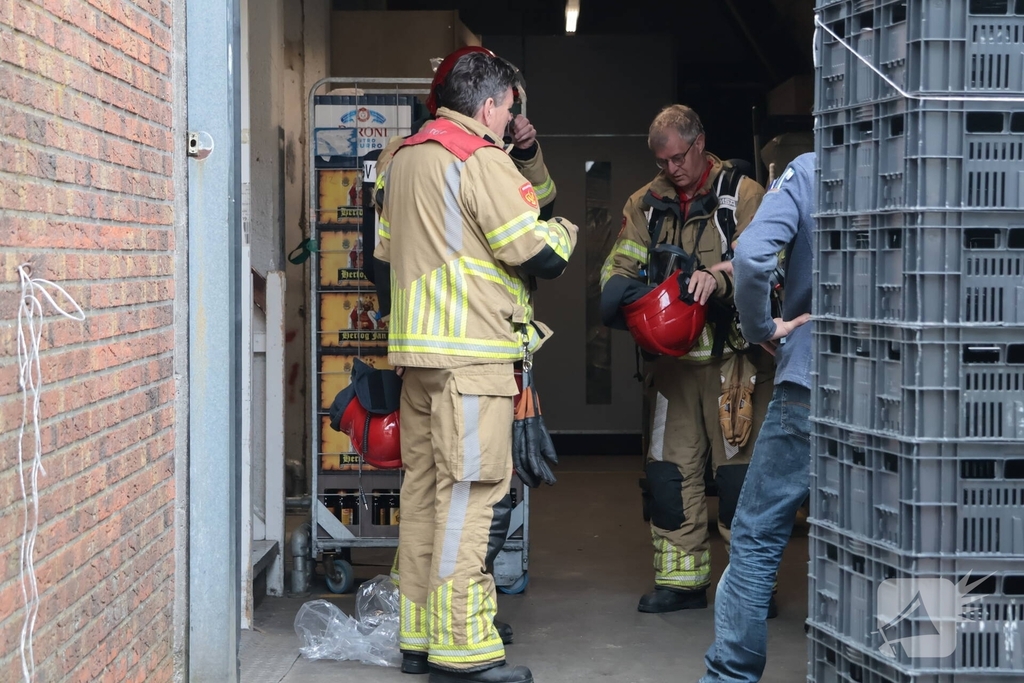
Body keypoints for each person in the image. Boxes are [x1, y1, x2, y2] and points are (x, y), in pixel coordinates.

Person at [377, 50, 578, 683]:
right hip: (473, 361)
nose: (509, 119)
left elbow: (382, 253)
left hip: (418, 361)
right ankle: (462, 651)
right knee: (469, 498)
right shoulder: (478, 158)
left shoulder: (399, 158)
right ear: (488, 105)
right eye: (509, 108)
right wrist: (567, 230)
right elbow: (533, 248)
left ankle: (417, 639)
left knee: (422, 496)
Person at [600, 104, 775, 614]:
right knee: (668, 475)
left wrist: (717, 278)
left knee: (742, 481)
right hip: (670, 367)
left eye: (678, 158)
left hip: (734, 364)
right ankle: (681, 582)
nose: (671, 169)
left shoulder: (742, 195)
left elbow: (766, 257)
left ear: (700, 143)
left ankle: (750, 591)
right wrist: (625, 291)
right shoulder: (645, 203)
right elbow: (619, 264)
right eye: (662, 161)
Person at [698, 152, 815, 683]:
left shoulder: (811, 171)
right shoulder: (945, 172)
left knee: (758, 534)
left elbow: (750, 256)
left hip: (813, 382)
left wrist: (762, 327)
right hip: (914, 393)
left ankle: (730, 677)